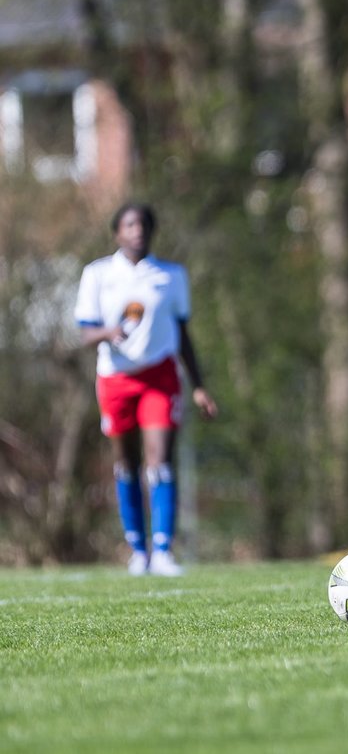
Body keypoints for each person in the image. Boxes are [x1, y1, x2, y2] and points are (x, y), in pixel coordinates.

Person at [75, 203, 218, 576]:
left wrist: (199, 385)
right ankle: (137, 549)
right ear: (117, 232)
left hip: (160, 375)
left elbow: (183, 334)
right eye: (129, 224)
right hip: (115, 378)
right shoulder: (98, 274)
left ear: (151, 231)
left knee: (160, 462)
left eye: (143, 224)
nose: (137, 230)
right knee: (126, 463)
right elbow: (85, 332)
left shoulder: (171, 276)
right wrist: (108, 332)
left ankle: (163, 550)